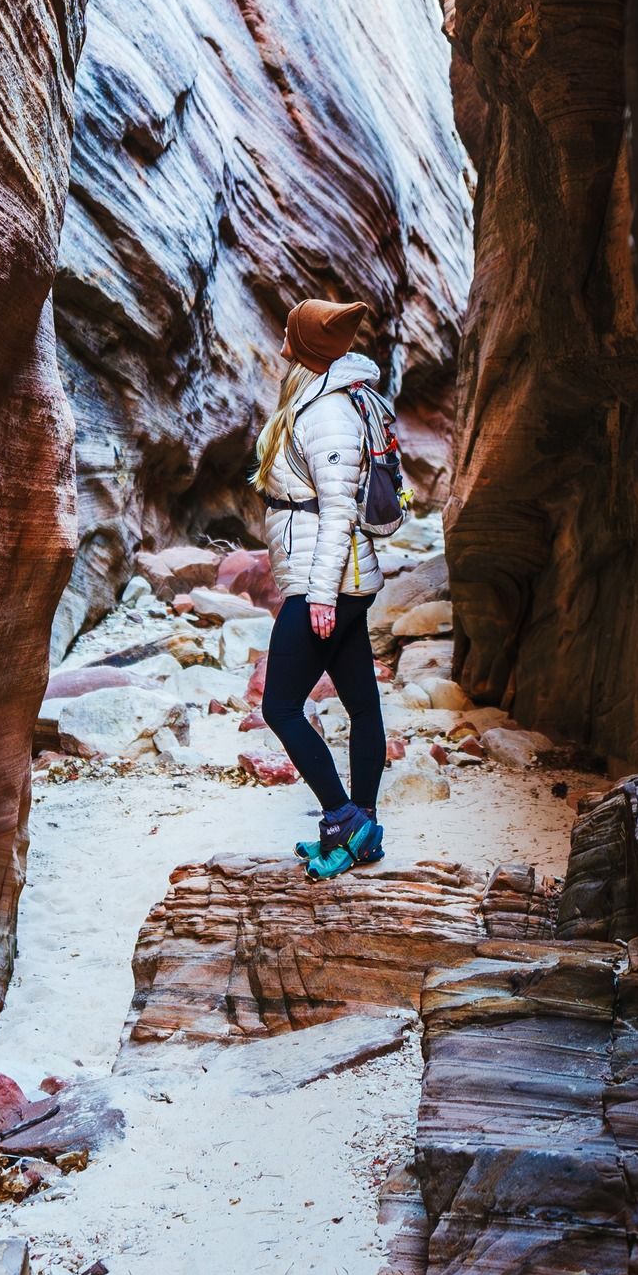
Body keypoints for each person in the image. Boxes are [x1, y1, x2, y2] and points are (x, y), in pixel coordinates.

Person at [252, 296, 390, 879]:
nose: (283, 337)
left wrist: (322, 597)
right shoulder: (320, 399)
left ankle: (344, 819)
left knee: (280, 706)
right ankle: (364, 833)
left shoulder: (326, 413)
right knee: (361, 703)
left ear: (305, 344)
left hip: (327, 579)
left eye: (291, 330)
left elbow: (337, 512)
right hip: (335, 577)